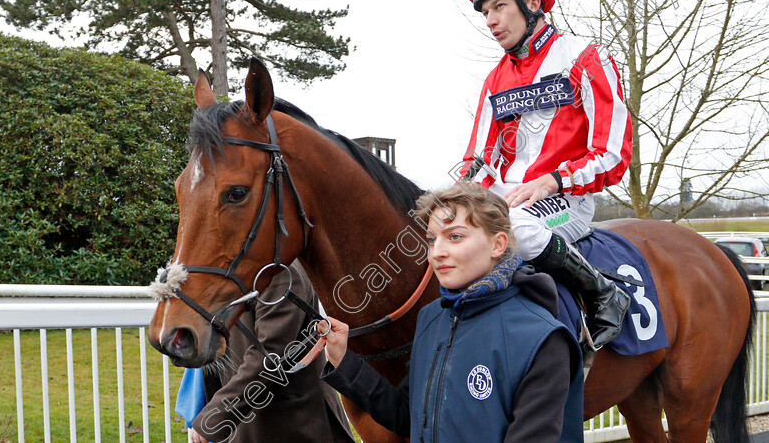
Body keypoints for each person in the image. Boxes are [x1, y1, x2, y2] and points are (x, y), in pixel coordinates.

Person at [457, 0, 632, 349]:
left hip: (568, 198)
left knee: (514, 228)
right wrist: (457, 196)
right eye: (485, 11)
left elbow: (614, 155)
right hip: (508, 194)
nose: (490, 20)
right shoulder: (495, 78)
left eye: (499, 5)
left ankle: (604, 292)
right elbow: (478, 160)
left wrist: (553, 180)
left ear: (532, 4)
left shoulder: (587, 58)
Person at [321, 184, 584, 442]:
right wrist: (343, 360)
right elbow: (405, 415)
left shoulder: (543, 338)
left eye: (455, 236)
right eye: (432, 240)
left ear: (498, 244)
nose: (437, 253)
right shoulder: (431, 318)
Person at [177, 262, 354, 443]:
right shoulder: (228, 267)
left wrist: (215, 417)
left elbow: (270, 354)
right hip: (248, 418)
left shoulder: (282, 271)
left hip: (294, 424)